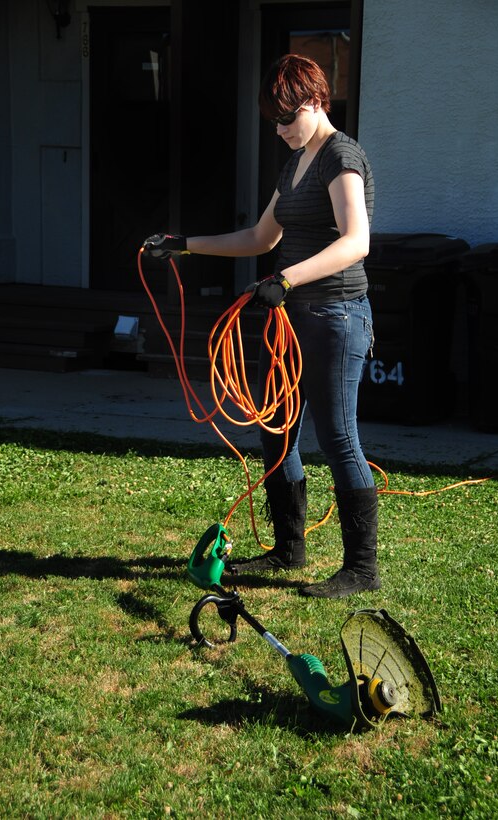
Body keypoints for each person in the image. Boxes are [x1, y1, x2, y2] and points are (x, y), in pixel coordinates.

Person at [142, 54, 379, 599]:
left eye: (285, 117)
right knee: (276, 429)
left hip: (336, 316)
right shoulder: (296, 161)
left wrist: (288, 280)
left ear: (316, 102)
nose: (278, 129)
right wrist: (183, 245)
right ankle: (289, 549)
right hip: (293, 319)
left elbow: (355, 241)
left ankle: (362, 570)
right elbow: (258, 238)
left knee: (340, 437)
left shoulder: (340, 155)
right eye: (272, 119)